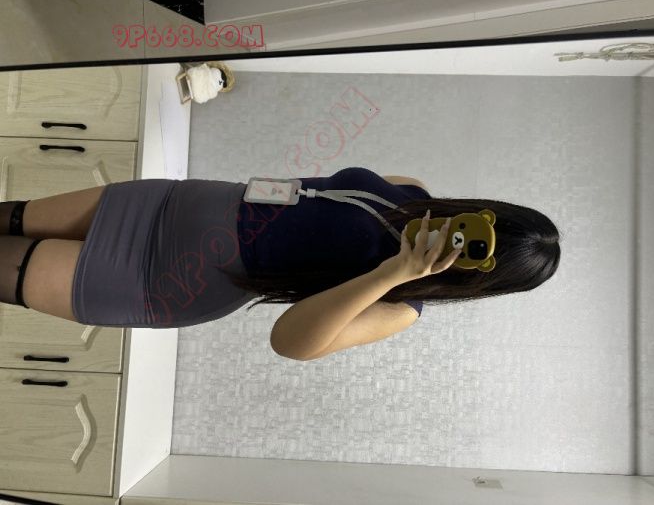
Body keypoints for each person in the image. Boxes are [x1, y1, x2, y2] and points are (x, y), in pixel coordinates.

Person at [0, 166, 561, 361]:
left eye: (477, 253)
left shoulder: (401, 305)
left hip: (165, 280)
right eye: (481, 224)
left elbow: (291, 343)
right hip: (167, 202)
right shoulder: (410, 191)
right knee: (11, 215)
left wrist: (394, 273)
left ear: (481, 278)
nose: (461, 239)